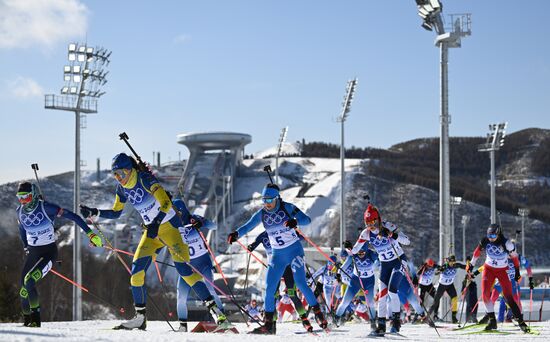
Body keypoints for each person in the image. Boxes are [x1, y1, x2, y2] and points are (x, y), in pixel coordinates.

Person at [80, 153, 225, 330]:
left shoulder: (144, 179)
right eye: (115, 175)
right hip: (152, 232)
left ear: (130, 170)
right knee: (136, 273)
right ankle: (140, 318)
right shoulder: (122, 189)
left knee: (185, 271)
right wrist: (95, 212)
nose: (119, 178)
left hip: (170, 227)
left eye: (121, 174)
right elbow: (116, 212)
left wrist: (156, 222)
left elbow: (165, 202)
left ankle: (217, 313)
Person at [227, 183, 328, 334]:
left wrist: (295, 221)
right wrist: (236, 234)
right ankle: (268, 324)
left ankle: (318, 313)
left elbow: (306, 220)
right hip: (277, 256)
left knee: (300, 283)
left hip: (295, 251)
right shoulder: (262, 214)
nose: (267, 204)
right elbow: (248, 226)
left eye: (269, 200)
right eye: (264, 200)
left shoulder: (287, 208)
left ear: (276, 198)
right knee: (269, 288)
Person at [16, 181, 103, 327]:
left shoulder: (47, 208)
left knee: (29, 281)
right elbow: (22, 230)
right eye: (20, 198)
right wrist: (25, 246)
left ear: (35, 196)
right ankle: (27, 321)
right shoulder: (19, 211)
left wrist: (90, 234)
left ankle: (36, 322)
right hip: (33, 253)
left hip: (48, 254)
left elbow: (74, 217)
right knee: (23, 291)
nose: (23, 201)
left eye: (26, 197)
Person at [351, 204, 411, 335]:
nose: (371, 225)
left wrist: (391, 235)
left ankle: (396, 322)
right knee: (382, 295)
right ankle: (381, 324)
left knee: (392, 290)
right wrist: (347, 248)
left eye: (373, 221)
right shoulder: (366, 233)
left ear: (378, 219)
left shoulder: (388, 226)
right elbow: (355, 250)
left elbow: (407, 241)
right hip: (385, 265)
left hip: (398, 261)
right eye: (368, 223)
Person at [172, 196, 224, 332]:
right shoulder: (171, 225)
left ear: (182, 210)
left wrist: (202, 223)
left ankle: (222, 317)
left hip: (203, 263)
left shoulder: (193, 219)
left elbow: (214, 226)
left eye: (177, 211)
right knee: (181, 296)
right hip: (186, 266)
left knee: (210, 289)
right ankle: (182, 326)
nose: (174, 214)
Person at [466, 223, 529, 333]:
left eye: (493, 236)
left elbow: (514, 258)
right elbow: (477, 252)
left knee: (509, 297)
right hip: (488, 269)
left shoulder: (507, 244)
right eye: (489, 236)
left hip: (502, 271)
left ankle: (521, 323)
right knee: (485, 295)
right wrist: (471, 265)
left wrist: (517, 272)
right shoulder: (485, 240)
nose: (491, 239)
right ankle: (492, 321)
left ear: (498, 234)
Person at [248, 230, 313, 331]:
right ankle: (272, 325)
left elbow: (302, 238)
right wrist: (251, 247)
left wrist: (296, 232)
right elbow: (254, 244)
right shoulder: (262, 235)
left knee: (292, 294)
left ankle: (305, 320)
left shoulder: (282, 231)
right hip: (274, 269)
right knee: (273, 297)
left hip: (287, 267)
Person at [334, 246, 378, 330]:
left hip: (368, 281)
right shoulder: (353, 254)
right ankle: (336, 319)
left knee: (371, 303)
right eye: (359, 253)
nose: (360, 254)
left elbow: (377, 261)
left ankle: (373, 322)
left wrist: (374, 266)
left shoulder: (371, 253)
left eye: (363, 253)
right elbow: (344, 265)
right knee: (344, 302)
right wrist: (338, 274)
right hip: (355, 281)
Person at [427, 255, 466, 323]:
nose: (452, 263)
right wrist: (440, 270)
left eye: (453, 262)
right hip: (442, 285)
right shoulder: (445, 266)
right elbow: (436, 273)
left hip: (450, 285)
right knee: (436, 301)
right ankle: (428, 316)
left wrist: (469, 265)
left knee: (454, 298)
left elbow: (465, 267)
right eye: (451, 262)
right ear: (448, 261)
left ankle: (454, 317)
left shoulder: (456, 265)